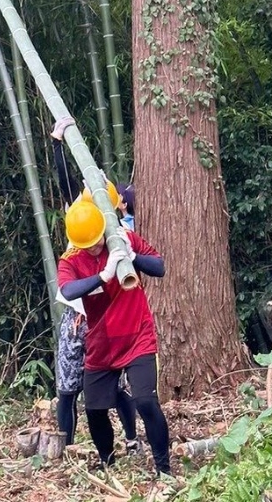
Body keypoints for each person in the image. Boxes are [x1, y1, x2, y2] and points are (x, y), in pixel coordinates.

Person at [57, 200, 172, 477]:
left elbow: (159, 267)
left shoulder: (121, 238)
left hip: (136, 335)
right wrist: (103, 275)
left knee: (145, 401)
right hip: (101, 343)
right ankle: (108, 464)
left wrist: (132, 256)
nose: (96, 247)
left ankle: (164, 469)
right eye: (89, 245)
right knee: (94, 410)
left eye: (98, 241)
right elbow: (68, 290)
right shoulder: (71, 259)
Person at [50, 116, 140, 452]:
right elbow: (66, 184)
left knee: (114, 387)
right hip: (76, 316)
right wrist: (57, 143)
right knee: (67, 388)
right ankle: (66, 447)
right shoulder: (81, 217)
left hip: (106, 317)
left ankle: (131, 440)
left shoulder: (118, 230)